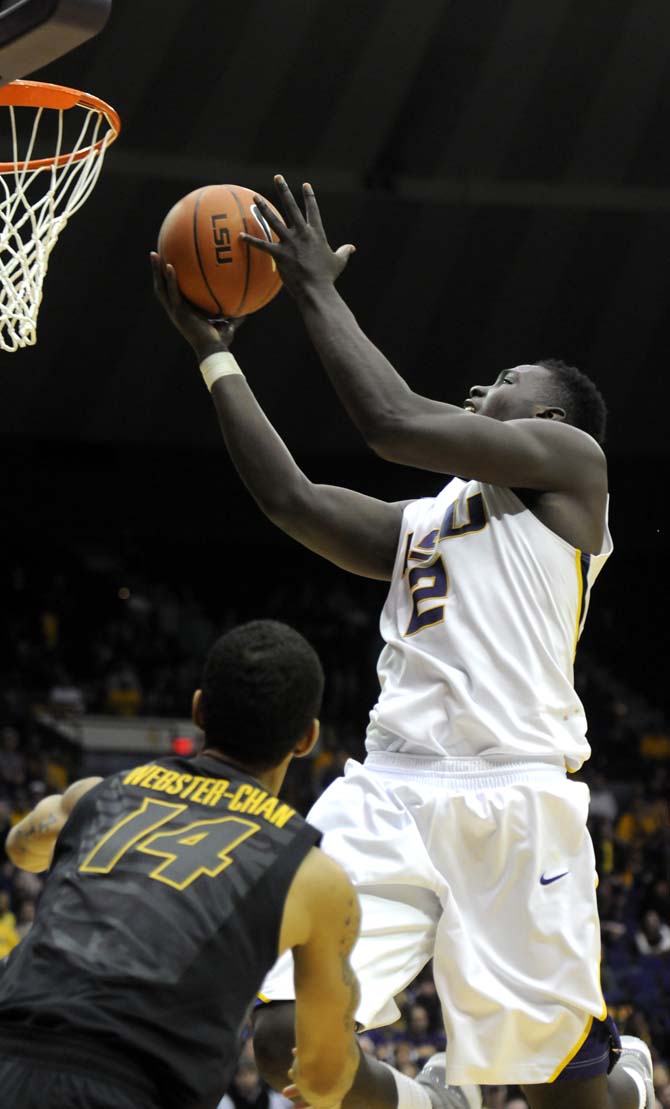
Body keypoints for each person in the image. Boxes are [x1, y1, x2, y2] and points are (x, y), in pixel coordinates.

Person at [150, 179, 653, 1109]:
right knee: (285, 1043)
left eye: (501, 386)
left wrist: (313, 288)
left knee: (566, 1102)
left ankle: (624, 1084)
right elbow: (293, 502)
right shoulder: (421, 521)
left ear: (549, 425)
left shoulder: (576, 475)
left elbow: (391, 422)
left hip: (514, 796)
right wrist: (217, 360)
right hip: (387, 787)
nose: (477, 390)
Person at [0, 619, 362, 1109]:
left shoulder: (100, 795)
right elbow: (324, 1079)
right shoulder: (314, 876)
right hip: (130, 1087)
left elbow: (22, 848)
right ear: (307, 739)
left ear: (197, 710)